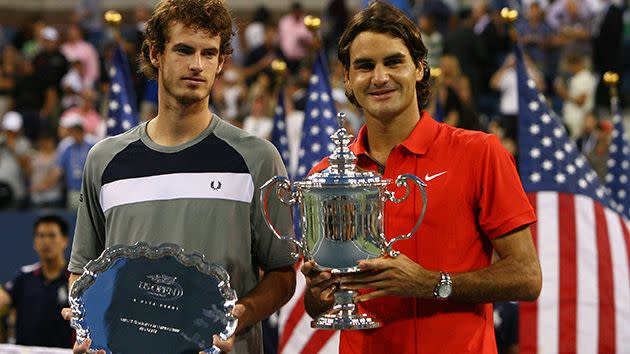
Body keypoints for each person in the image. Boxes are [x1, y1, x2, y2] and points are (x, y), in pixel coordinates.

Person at [301, 2, 542, 353]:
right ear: (348, 80)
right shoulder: (326, 177)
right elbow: (317, 305)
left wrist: (432, 283)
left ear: (419, 69)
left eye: (394, 62)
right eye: (365, 66)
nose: (379, 77)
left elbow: (527, 277)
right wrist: (319, 292)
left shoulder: (480, 153)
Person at [64, 0, 296, 353]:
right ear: (156, 53)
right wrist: (89, 327)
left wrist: (237, 316)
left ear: (221, 62)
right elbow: (82, 272)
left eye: (209, 53)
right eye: (184, 50)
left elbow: (282, 275)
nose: (197, 65)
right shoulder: (104, 160)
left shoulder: (258, 158)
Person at [0, 215, 73, 348]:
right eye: (41, 236)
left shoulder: (74, 278)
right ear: (35, 242)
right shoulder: (24, 276)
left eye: (52, 236)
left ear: (65, 241)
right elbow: (2, 300)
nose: (46, 242)